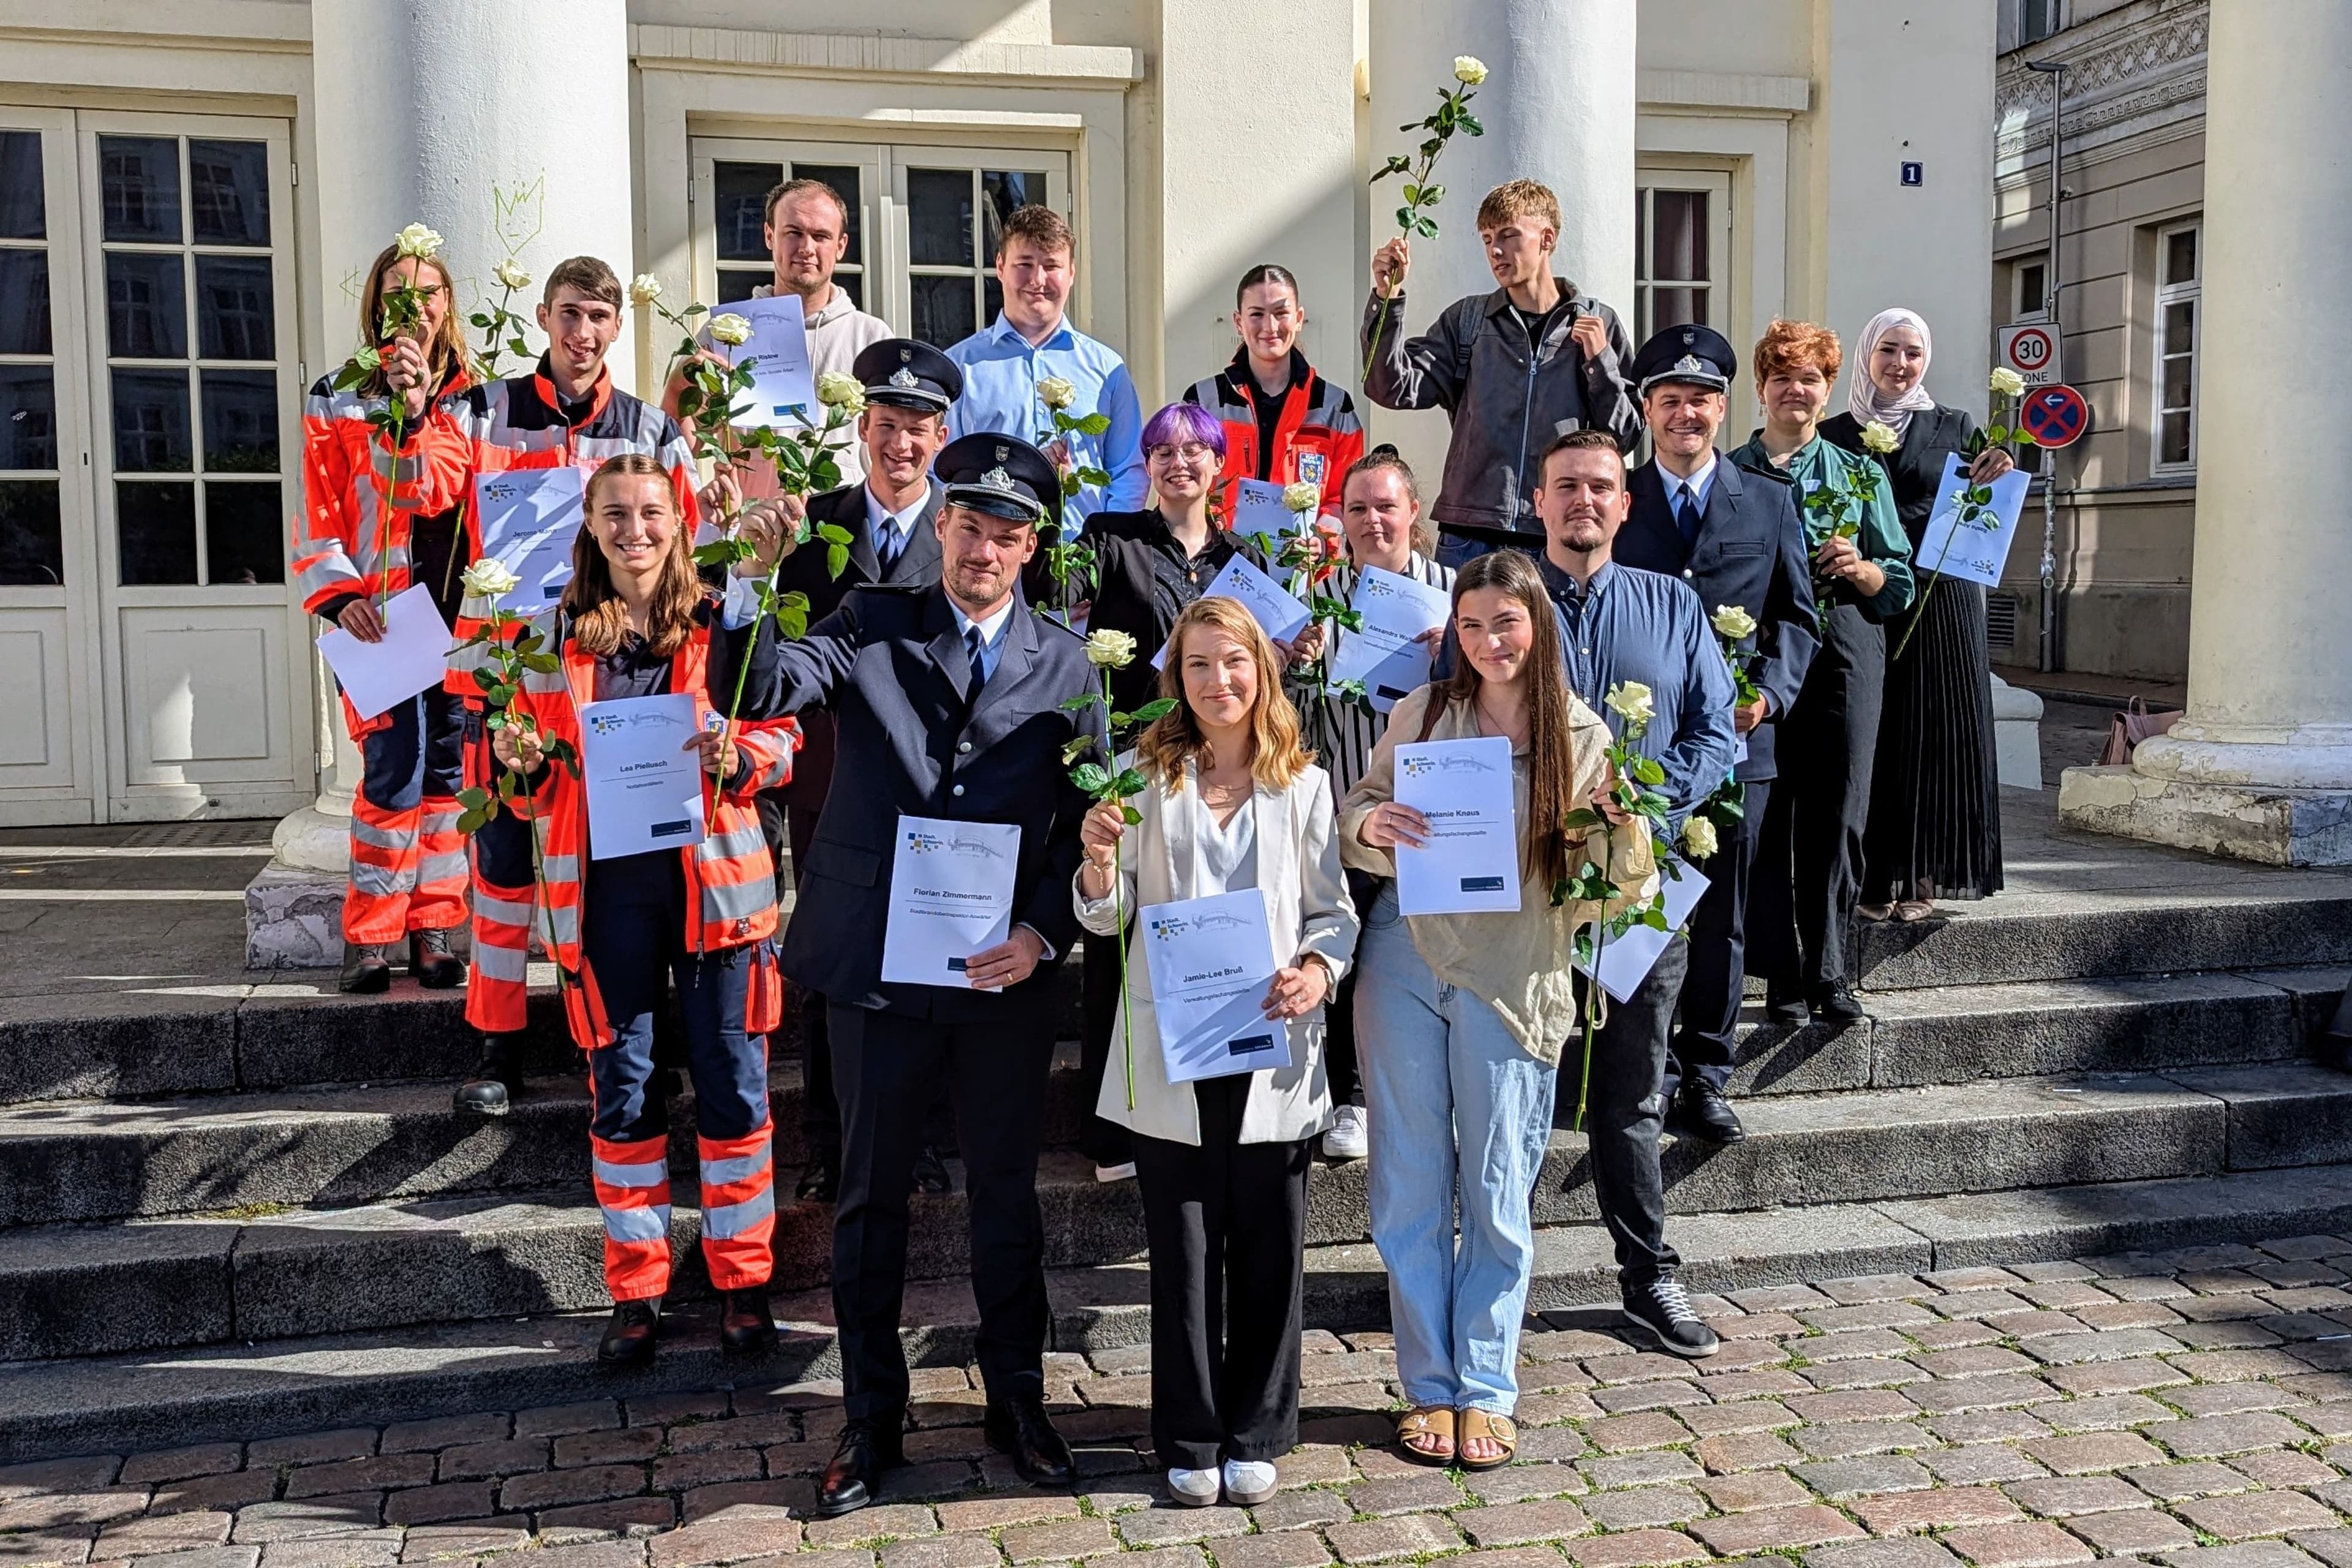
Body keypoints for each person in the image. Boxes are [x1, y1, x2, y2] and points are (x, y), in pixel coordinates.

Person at [731, 434, 1101, 1516]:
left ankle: (1018, 1396)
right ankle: (870, 1412)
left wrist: (1044, 933)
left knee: (1005, 1196)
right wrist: (752, 580)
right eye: (970, 526)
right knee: (870, 1199)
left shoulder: (1070, 663)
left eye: (1009, 534)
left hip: (1002, 974)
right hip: (878, 968)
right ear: (940, 526)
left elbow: (1082, 824)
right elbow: (759, 684)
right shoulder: (871, 622)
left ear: (1033, 548)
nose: (986, 549)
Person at [1341, 548, 1654, 1469]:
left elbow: (1612, 889)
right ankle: (1428, 1385)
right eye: (1471, 626)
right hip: (1405, 955)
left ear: (1538, 625)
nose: (1488, 642)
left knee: (1493, 1188)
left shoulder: (1582, 734)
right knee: (1406, 1183)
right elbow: (1358, 805)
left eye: (1504, 624)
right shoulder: (1427, 712)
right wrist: (1373, 824)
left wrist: (1618, 830)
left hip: (1513, 972)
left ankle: (1487, 1385)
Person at [486, 454, 798, 1368]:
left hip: (716, 895)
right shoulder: (552, 638)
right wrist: (522, 763)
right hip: (606, 893)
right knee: (623, 1095)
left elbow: (785, 736)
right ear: (588, 522)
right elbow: (531, 782)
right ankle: (637, 1290)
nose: (635, 530)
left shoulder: (726, 617)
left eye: (652, 512)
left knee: (735, 1091)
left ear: (681, 518)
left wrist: (735, 756)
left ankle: (744, 1281)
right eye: (615, 513)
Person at [1074, 595, 1357, 1507]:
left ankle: (1260, 1427)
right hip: (1175, 1043)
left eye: (1234, 662)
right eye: (1198, 665)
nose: (1218, 681)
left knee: (1270, 1244)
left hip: (1273, 1042)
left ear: (1261, 672)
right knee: (1185, 1247)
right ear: (1176, 678)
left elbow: (1335, 915)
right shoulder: (1137, 779)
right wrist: (1093, 866)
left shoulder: (1306, 785)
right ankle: (1191, 1434)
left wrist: (1318, 968)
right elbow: (1106, 921)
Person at [449, 256, 703, 1115]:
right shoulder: (483, 410)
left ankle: (644, 1036)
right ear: (544, 318)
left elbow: (683, 548)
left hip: (609, 679)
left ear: (616, 328)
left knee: (629, 861)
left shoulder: (650, 429)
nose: (582, 333)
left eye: (598, 317)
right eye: (568, 315)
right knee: (505, 866)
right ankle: (498, 1046)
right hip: (507, 669)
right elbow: (432, 505)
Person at [745, 338, 963, 1204]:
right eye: (885, 426)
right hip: (828, 773)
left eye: (916, 429)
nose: (899, 444)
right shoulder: (815, 523)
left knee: (929, 957)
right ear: (861, 429)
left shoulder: (964, 527)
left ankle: (920, 1139)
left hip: (928, 781)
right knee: (829, 954)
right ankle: (828, 1140)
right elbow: (783, 657)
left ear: (940, 436)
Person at [1533, 429, 1736, 1357]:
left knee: (1634, 1094)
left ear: (1625, 505)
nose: (1584, 500)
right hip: (1527, 888)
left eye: (1601, 487)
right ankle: (1485, 1272)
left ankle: (1648, 1271)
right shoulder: (1503, 602)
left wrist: (1647, 800)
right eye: (1566, 485)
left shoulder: (1672, 604)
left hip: (1641, 885)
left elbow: (1715, 731)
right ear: (1539, 503)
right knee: (1510, 1088)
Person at [1053, 402, 1272, 1181]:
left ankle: (1213, 1091)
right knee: (1121, 936)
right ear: (1146, 467)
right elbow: (1053, 588)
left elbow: (1262, 657)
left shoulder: (1246, 557)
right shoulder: (1110, 539)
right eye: (1162, 451)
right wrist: (1058, 497)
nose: (1180, 462)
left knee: (1208, 924)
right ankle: (1114, 1128)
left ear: (1220, 467)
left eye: (1196, 450)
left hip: (1223, 764)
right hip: (1137, 759)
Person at [1613, 326, 1818, 1145]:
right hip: (1640, 754)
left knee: (1724, 916)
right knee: (1638, 906)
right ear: (1646, 410)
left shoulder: (1767, 502)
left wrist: (1767, 696)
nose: (1686, 415)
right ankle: (1644, 1067)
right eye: (1670, 400)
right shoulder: (1618, 500)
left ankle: (1706, 1072)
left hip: (1740, 754)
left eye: (1700, 401)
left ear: (1724, 408)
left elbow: (1798, 620)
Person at [291, 239, 477, 995]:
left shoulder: (472, 397)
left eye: (428, 291)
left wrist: (418, 409)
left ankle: (435, 927)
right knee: (390, 774)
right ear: (376, 303)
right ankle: (370, 935)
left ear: (446, 306)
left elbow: (440, 492)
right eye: (397, 290)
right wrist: (341, 596)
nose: (414, 305)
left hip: (457, 616)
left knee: (446, 774)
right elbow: (319, 505)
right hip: (379, 618)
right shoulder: (338, 393)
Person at [1732, 320, 1916, 1023]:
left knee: (1839, 809)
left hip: (1844, 641)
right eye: (1782, 377)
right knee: (1767, 810)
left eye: (1809, 379)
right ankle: (1779, 974)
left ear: (1828, 388)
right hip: (1760, 645)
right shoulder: (1735, 474)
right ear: (1761, 388)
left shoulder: (1860, 474)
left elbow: (1898, 583)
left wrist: (1865, 568)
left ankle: (1830, 970)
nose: (1795, 390)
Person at [1290, 447, 1453, 1160]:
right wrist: (1298, 661)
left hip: (1443, 816)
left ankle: (1444, 1090)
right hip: (1352, 813)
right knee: (1345, 956)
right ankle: (1348, 1095)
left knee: (1439, 954)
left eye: (1386, 506)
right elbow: (1295, 723)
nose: (1373, 521)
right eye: (1357, 508)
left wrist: (1456, 654)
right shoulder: (1322, 595)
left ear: (1413, 513)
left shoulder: (1457, 590)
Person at [1819, 309, 2009, 921]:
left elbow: (1986, 503)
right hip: (1868, 597)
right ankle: (1872, 875)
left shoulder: (1957, 425)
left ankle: (1922, 873)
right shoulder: (1836, 433)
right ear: (1867, 357)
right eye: (1888, 351)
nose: (1900, 365)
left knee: (1933, 732)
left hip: (1941, 598)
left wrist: (2000, 464)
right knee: (1876, 734)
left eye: (1913, 354)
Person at [1361, 179, 1640, 564]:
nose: (1495, 250)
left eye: (1509, 235)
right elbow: (1390, 387)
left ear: (1547, 239)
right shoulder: (1469, 321)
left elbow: (1624, 437)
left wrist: (1600, 363)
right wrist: (1386, 300)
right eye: (1488, 238)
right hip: (1467, 537)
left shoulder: (1597, 323)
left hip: (1551, 538)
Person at [666, 175, 892, 503]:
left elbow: (890, 447)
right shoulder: (726, 335)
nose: (807, 248)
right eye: (794, 233)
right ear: (770, 236)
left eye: (821, 236)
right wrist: (677, 391)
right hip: (753, 533)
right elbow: (680, 448)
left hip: (842, 532)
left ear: (841, 246)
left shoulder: (872, 338)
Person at [945, 204, 1145, 529]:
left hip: (1081, 556)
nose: (1038, 280)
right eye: (1025, 264)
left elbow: (1128, 470)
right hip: (990, 556)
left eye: (1052, 265)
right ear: (1000, 267)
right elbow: (940, 470)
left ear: (1072, 273)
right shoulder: (961, 367)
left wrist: (1107, 541)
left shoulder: (1107, 370)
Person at [1182, 264, 1365, 519]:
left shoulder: (1335, 406)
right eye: (1257, 314)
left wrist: (1323, 542)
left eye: (1281, 313)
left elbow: (1346, 499)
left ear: (1299, 319)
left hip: (1304, 558)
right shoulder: (1203, 401)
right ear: (1238, 322)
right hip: (1219, 556)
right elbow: (1182, 487)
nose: (1270, 326)